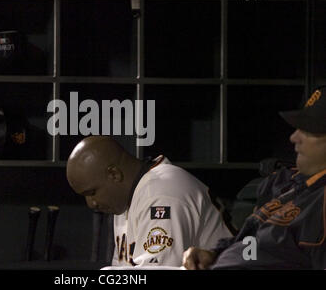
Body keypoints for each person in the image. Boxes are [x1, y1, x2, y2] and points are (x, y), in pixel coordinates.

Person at [183, 86, 326, 270]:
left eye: (310, 131)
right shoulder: (291, 184)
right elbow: (254, 245)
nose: (294, 137)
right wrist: (215, 255)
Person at [66, 136, 232, 267]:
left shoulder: (162, 193)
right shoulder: (127, 196)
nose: (91, 203)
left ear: (114, 174)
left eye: (92, 192)